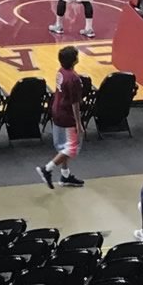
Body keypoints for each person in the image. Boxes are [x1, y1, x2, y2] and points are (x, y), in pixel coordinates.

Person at [37, 43, 87, 188]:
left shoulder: (61, 71)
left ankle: (65, 175)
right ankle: (47, 169)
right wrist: (78, 122)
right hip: (67, 115)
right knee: (72, 148)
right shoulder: (74, 79)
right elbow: (75, 103)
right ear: (74, 60)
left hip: (56, 110)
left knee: (63, 146)